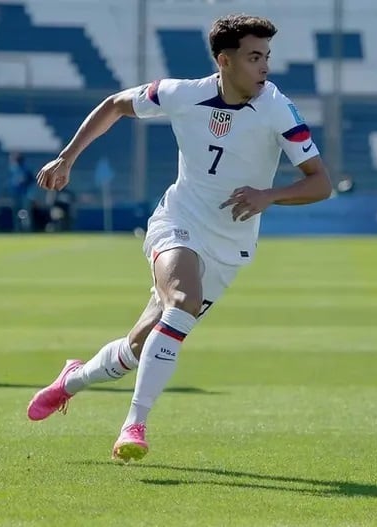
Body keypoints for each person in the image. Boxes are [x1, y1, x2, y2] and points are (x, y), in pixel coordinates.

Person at [26, 14, 332, 462]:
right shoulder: (182, 94)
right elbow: (115, 104)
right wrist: (67, 158)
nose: (265, 67)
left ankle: (70, 380)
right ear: (225, 62)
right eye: (253, 57)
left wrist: (271, 195)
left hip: (229, 246)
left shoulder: (278, 110)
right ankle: (135, 424)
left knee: (137, 347)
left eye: (266, 56)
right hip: (178, 221)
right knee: (183, 299)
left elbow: (319, 182)